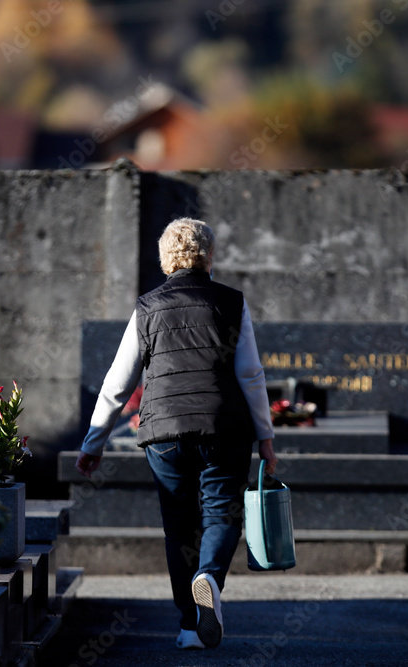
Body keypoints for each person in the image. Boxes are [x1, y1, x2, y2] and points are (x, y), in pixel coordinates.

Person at [76, 217, 276, 650]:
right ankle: (209, 578)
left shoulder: (147, 306)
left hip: (163, 432)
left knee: (178, 529)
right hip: (223, 427)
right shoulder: (231, 302)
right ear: (209, 256)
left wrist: (93, 443)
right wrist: (266, 437)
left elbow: (118, 380)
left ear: (165, 258)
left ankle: (189, 626)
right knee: (222, 515)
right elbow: (251, 374)